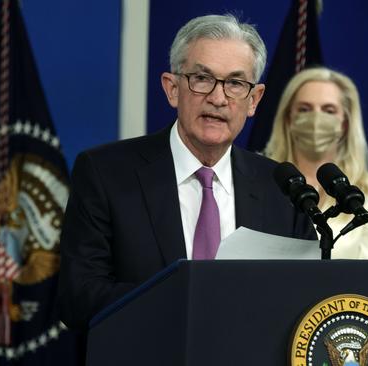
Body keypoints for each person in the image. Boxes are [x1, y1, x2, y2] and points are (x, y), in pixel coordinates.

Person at [57, 14, 316, 331]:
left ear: (254, 100)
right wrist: (191, 302)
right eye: (202, 79)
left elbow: (304, 299)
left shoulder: (282, 189)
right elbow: (78, 298)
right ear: (172, 88)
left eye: (235, 83)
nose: (218, 98)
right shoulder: (105, 174)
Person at [264, 67, 368, 259]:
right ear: (288, 118)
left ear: (345, 123)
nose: (316, 119)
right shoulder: (258, 179)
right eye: (304, 109)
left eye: (328, 110)